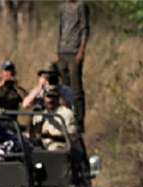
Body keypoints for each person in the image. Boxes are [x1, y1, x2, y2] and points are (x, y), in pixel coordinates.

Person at [55, 0, 89, 134]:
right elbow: (60, 29)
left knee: (76, 89)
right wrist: (57, 52)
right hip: (63, 51)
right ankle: (66, 117)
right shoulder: (62, 7)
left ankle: (79, 121)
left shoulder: (80, 6)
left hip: (74, 51)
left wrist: (81, 50)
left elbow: (85, 28)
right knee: (63, 87)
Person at [30, 84, 78, 151]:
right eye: (48, 97)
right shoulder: (41, 115)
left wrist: (50, 137)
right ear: (44, 97)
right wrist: (31, 114)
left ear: (58, 97)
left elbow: (72, 138)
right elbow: (31, 135)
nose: (50, 100)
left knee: (54, 148)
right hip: (43, 148)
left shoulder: (67, 114)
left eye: (53, 97)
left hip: (61, 148)